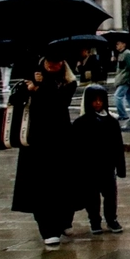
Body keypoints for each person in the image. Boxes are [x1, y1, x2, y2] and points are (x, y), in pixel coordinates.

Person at [10, 57, 79, 247]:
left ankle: (64, 221)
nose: (52, 66)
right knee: (39, 186)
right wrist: (30, 89)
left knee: (63, 184)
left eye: (57, 62)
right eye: (49, 61)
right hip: (36, 141)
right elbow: (14, 100)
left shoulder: (67, 82)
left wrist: (41, 87)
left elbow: (58, 103)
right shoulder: (31, 78)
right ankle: (47, 229)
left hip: (60, 140)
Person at [72, 85, 125, 234]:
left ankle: (111, 219)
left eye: (100, 100)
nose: (97, 103)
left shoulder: (111, 122)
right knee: (92, 197)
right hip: (88, 167)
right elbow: (75, 148)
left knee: (110, 195)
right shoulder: (80, 123)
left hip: (107, 166)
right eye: (94, 101)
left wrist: (120, 167)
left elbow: (118, 146)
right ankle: (95, 221)